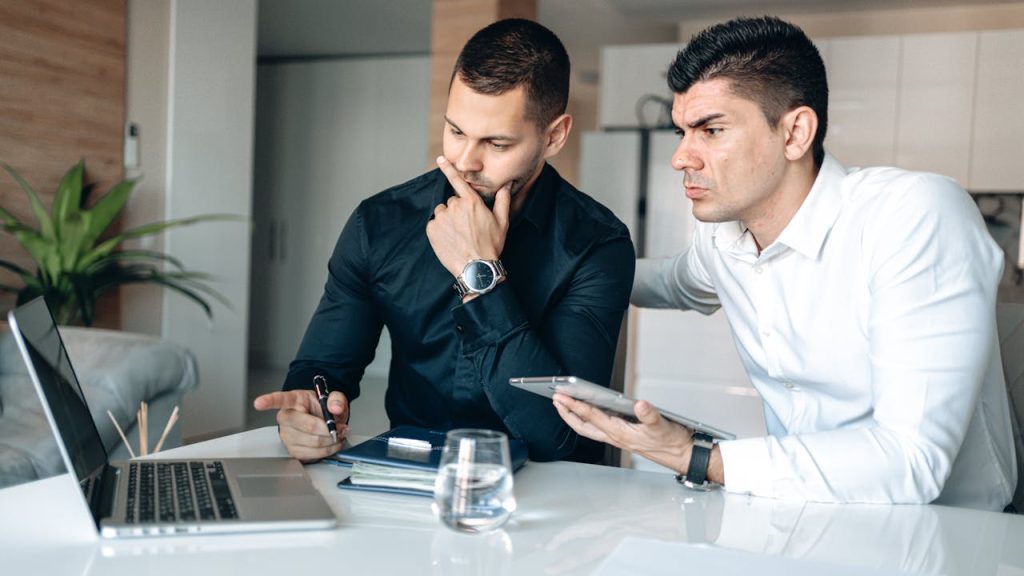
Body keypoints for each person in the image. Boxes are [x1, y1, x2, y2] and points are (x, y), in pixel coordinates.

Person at [553, 16, 1016, 511]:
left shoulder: (913, 216)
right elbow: (661, 281)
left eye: (711, 130)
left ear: (795, 132)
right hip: (803, 511)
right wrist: (533, 267)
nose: (681, 157)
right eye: (682, 131)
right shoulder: (723, 240)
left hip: (954, 535)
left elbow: (911, 461)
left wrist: (692, 455)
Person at [254, 18, 635, 464]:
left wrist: (478, 271)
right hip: (409, 478)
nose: (465, 162)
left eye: (496, 143)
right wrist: (311, 413)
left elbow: (559, 435)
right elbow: (323, 367)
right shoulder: (379, 224)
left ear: (553, 136)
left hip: (552, 496)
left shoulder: (597, 244)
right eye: (455, 132)